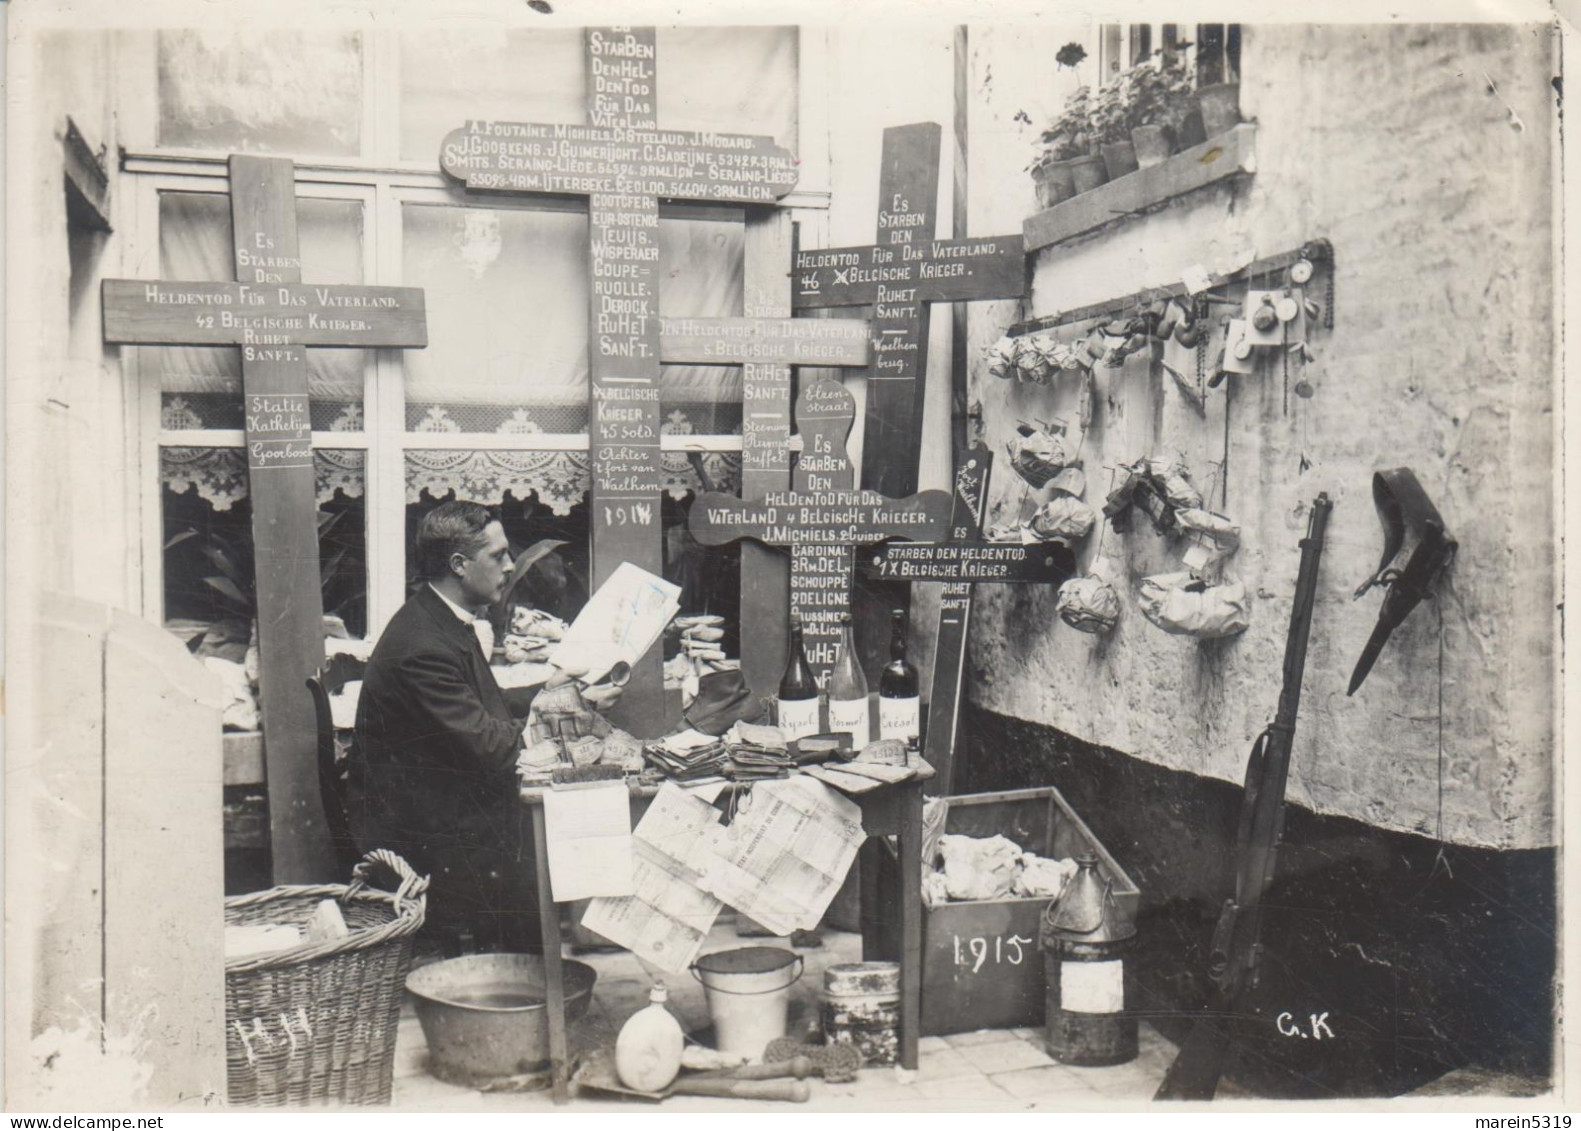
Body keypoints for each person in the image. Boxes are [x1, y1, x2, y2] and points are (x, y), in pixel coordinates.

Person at [347, 499, 616, 952]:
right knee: (555, 823)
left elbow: (483, 705)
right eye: (498, 556)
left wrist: (557, 688)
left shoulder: (438, 619)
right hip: (423, 832)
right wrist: (573, 705)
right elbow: (495, 747)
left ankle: (531, 971)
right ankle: (526, 978)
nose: (511, 566)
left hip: (439, 806)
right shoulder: (423, 646)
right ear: (459, 564)